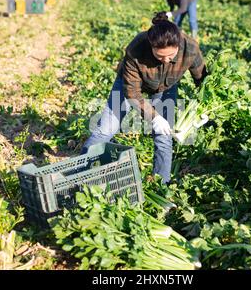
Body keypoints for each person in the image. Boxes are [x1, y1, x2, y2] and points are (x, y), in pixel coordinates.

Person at [81, 12, 207, 184]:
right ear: (151, 45)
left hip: (166, 87)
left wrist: (203, 106)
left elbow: (203, 79)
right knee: (106, 128)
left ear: (178, 45)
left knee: (163, 136)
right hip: (129, 84)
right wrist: (154, 117)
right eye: (159, 56)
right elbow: (132, 93)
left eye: (170, 56)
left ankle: (161, 184)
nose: (165, 60)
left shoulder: (190, 48)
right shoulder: (136, 48)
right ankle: (82, 172)